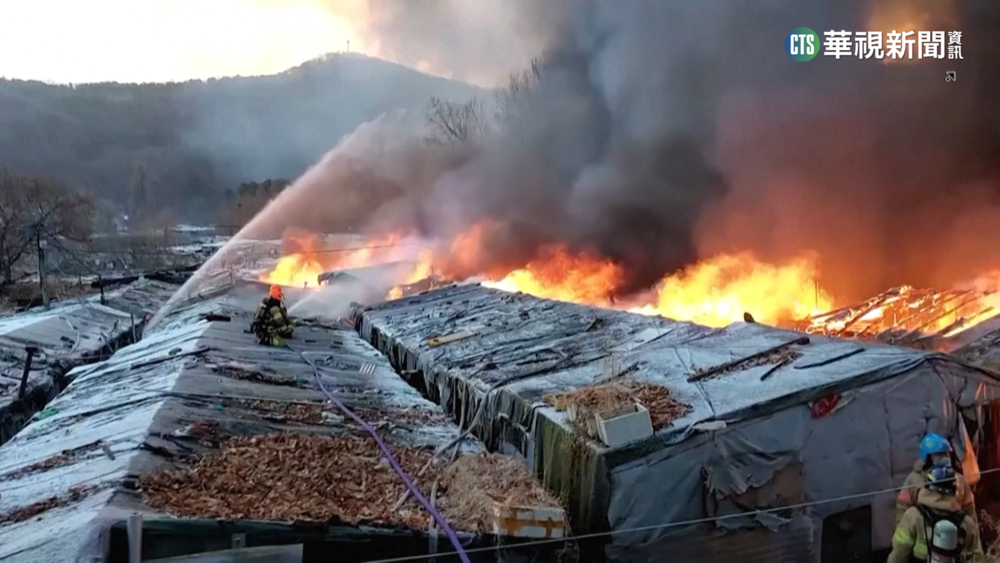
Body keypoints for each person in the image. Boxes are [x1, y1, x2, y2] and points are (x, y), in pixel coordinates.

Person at [888, 463, 984, 562]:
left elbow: (898, 554)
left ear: (928, 487)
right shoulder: (967, 524)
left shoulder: (913, 516)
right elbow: (977, 558)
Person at [896, 433, 977, 527]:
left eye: (946, 454)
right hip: (924, 531)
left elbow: (969, 509)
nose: (945, 459)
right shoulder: (914, 479)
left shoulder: (959, 479)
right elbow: (902, 509)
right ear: (927, 458)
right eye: (939, 455)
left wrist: (972, 531)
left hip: (954, 530)